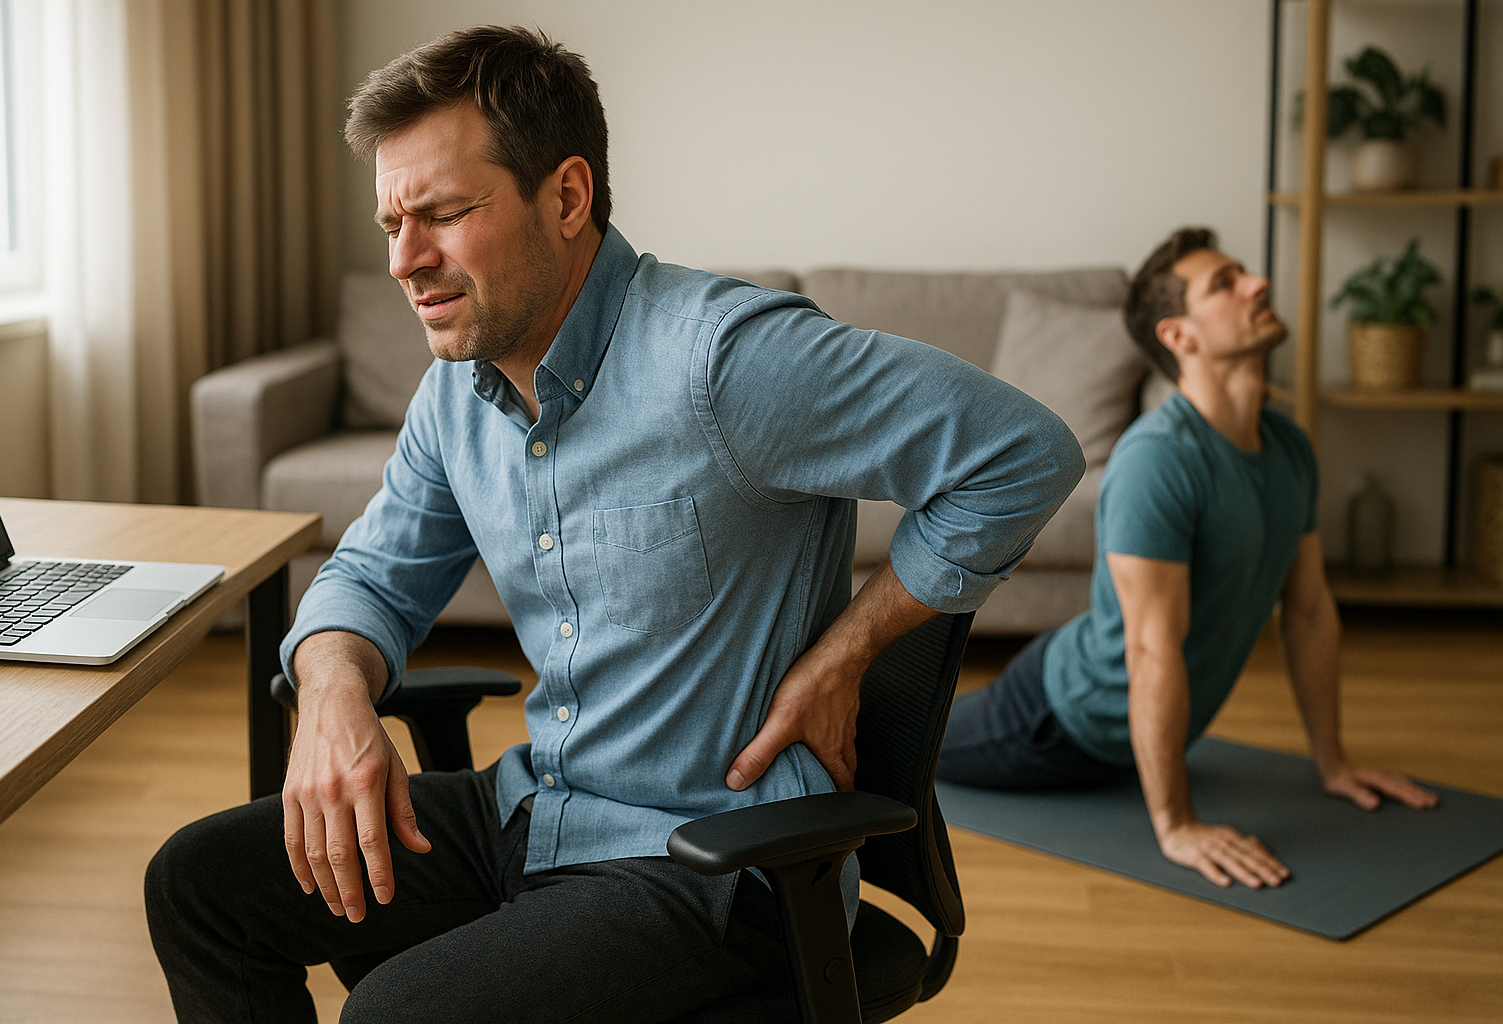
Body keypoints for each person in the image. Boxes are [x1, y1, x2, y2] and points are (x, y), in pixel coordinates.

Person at [144, 25, 1083, 1024]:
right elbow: (370, 575)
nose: (404, 261)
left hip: (712, 861)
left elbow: (1024, 452)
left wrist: (850, 649)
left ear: (567, 197)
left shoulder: (724, 360)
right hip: (545, 809)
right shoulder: (456, 394)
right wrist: (333, 694)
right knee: (199, 886)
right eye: (390, 224)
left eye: (444, 214)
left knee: (393, 1013)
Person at [937, 226, 1437, 890]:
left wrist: (1333, 763)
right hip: (1059, 717)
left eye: (1244, 273)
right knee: (896, 737)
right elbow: (1150, 651)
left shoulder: (1289, 446)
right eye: (1224, 284)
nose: (1257, 284)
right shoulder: (1158, 461)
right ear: (1180, 336)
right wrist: (1175, 826)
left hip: (1121, 707)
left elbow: (1310, 613)